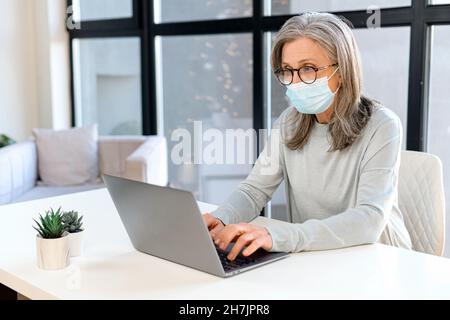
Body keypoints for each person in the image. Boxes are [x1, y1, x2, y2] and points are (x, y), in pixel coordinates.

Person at [203, 12, 412, 261]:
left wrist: (278, 236)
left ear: (342, 70)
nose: (296, 81)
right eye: (288, 70)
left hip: (378, 258)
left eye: (309, 68)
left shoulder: (382, 125)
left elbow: (369, 219)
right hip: (315, 256)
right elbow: (254, 190)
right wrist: (220, 218)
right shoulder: (288, 122)